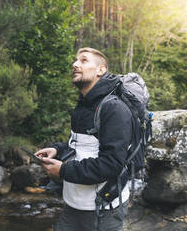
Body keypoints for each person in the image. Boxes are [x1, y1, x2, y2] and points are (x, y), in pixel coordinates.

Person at [35, 47, 133, 231]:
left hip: (103, 209)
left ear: (101, 70)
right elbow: (80, 144)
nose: (75, 64)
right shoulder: (83, 105)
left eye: (83, 60)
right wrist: (57, 149)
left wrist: (63, 170)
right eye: (75, 60)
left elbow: (111, 164)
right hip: (73, 205)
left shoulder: (114, 109)